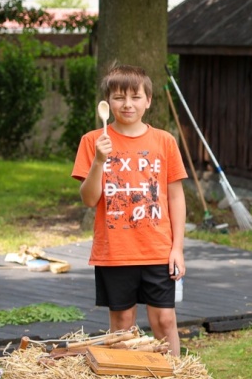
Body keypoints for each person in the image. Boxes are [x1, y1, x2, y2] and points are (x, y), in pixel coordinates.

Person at [73, 64, 187, 356]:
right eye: (119, 97)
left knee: (164, 320)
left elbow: (175, 197)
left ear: (148, 100)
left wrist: (178, 248)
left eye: (135, 97)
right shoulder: (93, 141)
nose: (127, 104)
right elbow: (88, 199)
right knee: (122, 324)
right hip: (115, 250)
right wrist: (99, 160)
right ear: (108, 103)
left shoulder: (165, 141)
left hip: (158, 249)